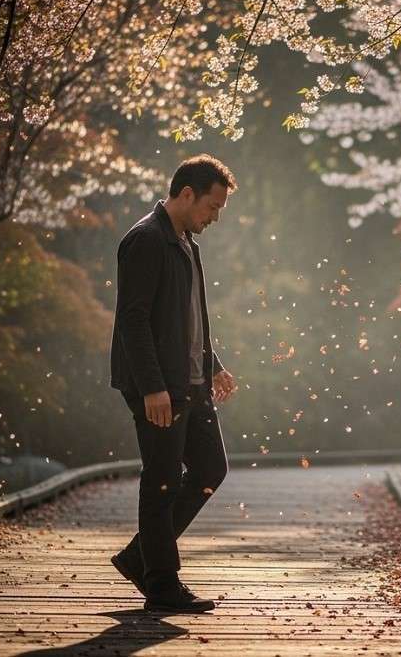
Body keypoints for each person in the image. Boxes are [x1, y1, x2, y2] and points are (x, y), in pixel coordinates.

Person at [108, 154, 239, 613]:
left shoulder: (186, 243)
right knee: (162, 480)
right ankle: (161, 584)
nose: (215, 217)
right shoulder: (145, 240)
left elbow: (188, 321)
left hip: (192, 381)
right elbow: (133, 321)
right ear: (187, 194)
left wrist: (214, 363)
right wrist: (152, 388)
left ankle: (140, 555)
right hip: (159, 386)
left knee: (210, 469)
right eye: (213, 206)